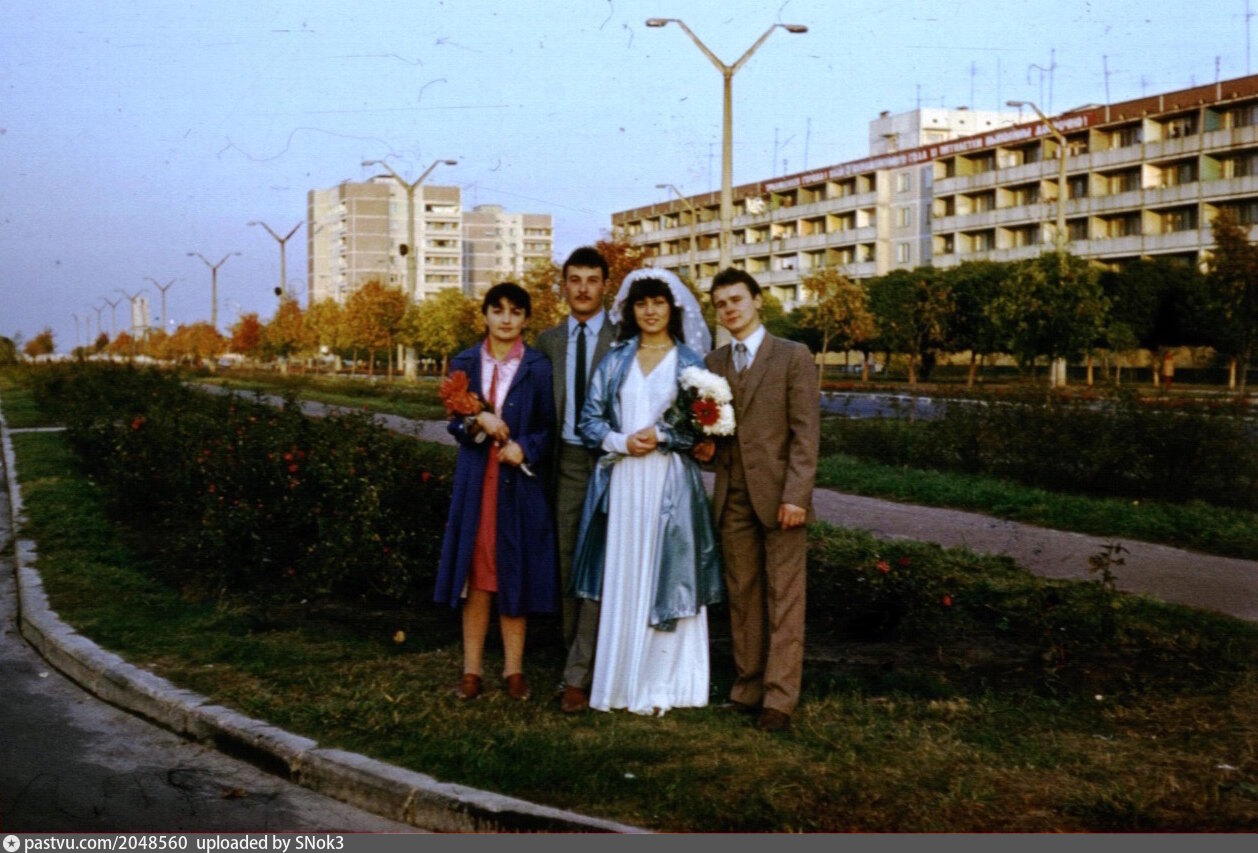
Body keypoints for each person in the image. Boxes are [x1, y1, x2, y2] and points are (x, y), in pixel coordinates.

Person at [569, 269, 724, 716]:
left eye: (658, 302)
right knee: (623, 570)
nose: (650, 311)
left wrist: (661, 435)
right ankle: (618, 681)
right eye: (642, 303)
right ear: (630, 310)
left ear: (672, 308)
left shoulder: (691, 362)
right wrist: (621, 441)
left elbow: (700, 428)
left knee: (665, 569)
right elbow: (589, 420)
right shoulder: (616, 359)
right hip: (624, 481)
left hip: (669, 480)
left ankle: (664, 682)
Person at [695, 268, 820, 733]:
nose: (729, 309)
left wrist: (796, 496)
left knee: (784, 597)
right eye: (721, 304)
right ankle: (747, 688)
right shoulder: (713, 364)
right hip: (733, 498)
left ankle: (779, 699)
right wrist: (705, 446)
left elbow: (806, 434)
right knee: (743, 595)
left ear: (757, 300)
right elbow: (716, 431)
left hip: (782, 499)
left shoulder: (792, 356)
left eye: (736, 300)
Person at [433, 282, 557, 703]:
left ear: (526, 319)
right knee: (476, 571)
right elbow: (453, 421)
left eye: (515, 312)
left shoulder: (538, 366)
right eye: (498, 310)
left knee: (513, 565)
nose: (506, 319)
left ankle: (513, 669)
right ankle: (472, 670)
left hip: (517, 482)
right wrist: (477, 422)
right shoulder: (465, 361)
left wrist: (526, 448)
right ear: (485, 314)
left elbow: (549, 428)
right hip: (476, 481)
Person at [535, 247, 618, 714]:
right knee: (569, 562)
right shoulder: (548, 342)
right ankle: (576, 662)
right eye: (575, 279)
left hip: (612, 461)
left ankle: (584, 671)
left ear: (605, 285)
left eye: (592, 279)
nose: (583, 288)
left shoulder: (624, 338)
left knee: (605, 563)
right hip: (566, 461)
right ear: (563, 285)